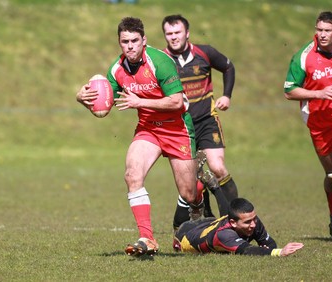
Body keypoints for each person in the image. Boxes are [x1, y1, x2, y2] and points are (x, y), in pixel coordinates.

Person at [76, 17, 204, 257]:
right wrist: (81, 98)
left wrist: (139, 101)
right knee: (132, 175)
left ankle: (200, 193)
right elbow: (103, 109)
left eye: (135, 40)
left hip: (177, 129)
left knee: (188, 194)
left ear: (144, 41)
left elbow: (177, 102)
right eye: (125, 41)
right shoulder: (116, 69)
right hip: (148, 129)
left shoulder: (160, 62)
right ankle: (148, 238)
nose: (130, 46)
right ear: (119, 43)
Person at [161, 14, 239, 238]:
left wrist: (227, 96)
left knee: (217, 167)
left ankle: (239, 215)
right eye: (169, 33)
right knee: (193, 177)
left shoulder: (205, 53)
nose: (173, 37)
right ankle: (207, 217)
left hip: (206, 120)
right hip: (180, 126)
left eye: (177, 33)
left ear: (187, 33)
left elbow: (228, 67)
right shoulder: (161, 60)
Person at [284, 11, 332, 241]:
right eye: (319, 30)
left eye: (327, 30)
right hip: (320, 125)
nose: (322, 34)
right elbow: (289, 91)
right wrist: (319, 93)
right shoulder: (304, 56)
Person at [175, 197, 304, 256]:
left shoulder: (253, 221)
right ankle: (207, 191)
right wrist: (279, 252)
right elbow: (247, 250)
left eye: (254, 219)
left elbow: (269, 243)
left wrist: (267, 250)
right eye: (248, 222)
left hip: (210, 224)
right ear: (233, 223)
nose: (253, 224)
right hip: (186, 236)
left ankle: (211, 192)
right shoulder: (224, 234)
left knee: (213, 221)